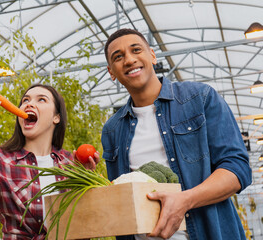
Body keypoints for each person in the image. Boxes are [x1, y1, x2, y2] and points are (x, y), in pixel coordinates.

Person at [101, 28, 252, 240]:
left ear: (152, 55)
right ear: (111, 72)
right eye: (119, 57)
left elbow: (237, 168)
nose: (129, 60)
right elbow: (121, 199)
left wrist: (185, 200)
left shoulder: (199, 98)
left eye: (136, 50)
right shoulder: (112, 129)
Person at [0, 83, 99, 240]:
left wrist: (86, 180)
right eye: (25, 100)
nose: (29, 103)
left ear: (56, 117)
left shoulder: (70, 163)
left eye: (41, 100)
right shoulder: (1, 159)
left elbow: (84, 223)